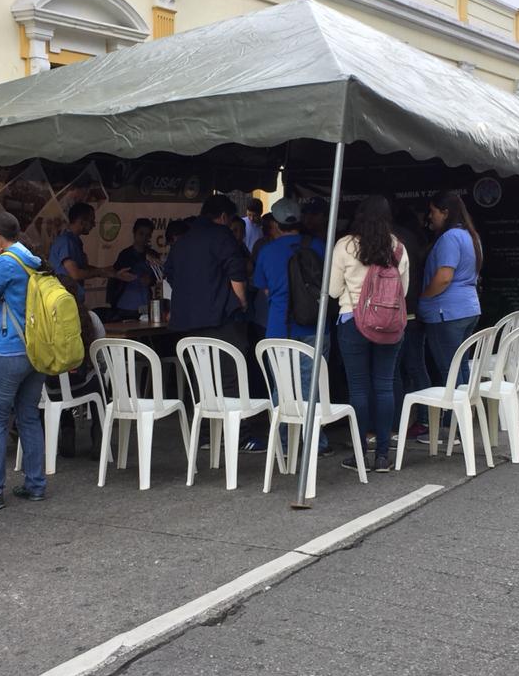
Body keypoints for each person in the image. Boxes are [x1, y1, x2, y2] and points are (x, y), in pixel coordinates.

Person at [0, 212, 50, 508]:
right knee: (28, 415)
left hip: (9, 349)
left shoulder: (5, 262)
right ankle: (36, 484)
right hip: (35, 350)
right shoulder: (32, 258)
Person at [329, 195, 409, 474]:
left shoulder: (345, 246)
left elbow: (333, 290)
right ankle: (384, 455)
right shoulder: (397, 247)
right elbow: (404, 292)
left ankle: (361, 454)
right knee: (385, 386)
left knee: (359, 389)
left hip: (353, 321)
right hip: (390, 324)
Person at [252, 198, 327, 453]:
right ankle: (314, 443)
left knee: (281, 389)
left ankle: (282, 442)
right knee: (312, 386)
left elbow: (263, 289)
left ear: (275, 222)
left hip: (278, 329)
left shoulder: (267, 251)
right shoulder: (319, 246)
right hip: (314, 327)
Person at [164, 194, 250, 393]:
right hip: (221, 317)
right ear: (222, 216)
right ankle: (233, 423)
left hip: (190, 319)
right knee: (230, 373)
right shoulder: (221, 235)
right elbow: (235, 270)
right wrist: (241, 300)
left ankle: (204, 422)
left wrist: (192, 290)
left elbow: (169, 272)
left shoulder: (183, 240)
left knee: (202, 375)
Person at [420, 191, 482, 388]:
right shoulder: (470, 235)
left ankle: (452, 418)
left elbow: (444, 278)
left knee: (449, 369)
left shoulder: (449, 237)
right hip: (468, 309)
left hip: (446, 313)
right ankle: (466, 415)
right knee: (461, 365)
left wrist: (423, 296)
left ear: (445, 212)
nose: (430, 216)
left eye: (433, 211)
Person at [392, 202, 431, 441]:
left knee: (397, 370)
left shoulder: (394, 240)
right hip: (415, 311)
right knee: (416, 367)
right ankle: (423, 419)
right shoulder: (415, 239)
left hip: (400, 313)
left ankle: (399, 422)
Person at [50, 202, 133, 298]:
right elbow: (75, 274)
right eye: (91, 221)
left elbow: (84, 268)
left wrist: (112, 273)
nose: (93, 225)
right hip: (64, 300)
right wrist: (100, 272)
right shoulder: (66, 241)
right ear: (81, 221)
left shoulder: (74, 241)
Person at [102, 218, 157, 321]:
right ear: (134, 233)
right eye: (141, 234)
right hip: (125, 305)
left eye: (148, 235)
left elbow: (157, 277)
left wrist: (150, 280)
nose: (144, 238)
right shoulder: (125, 255)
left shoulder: (153, 255)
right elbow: (115, 276)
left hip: (145, 304)